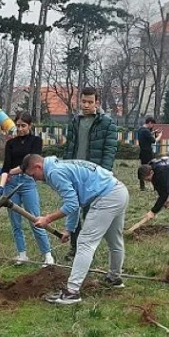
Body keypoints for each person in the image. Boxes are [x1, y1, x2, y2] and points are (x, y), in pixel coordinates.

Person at [21, 154, 129, 305]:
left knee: (85, 243)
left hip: (107, 196)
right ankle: (114, 278)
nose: (35, 179)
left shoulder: (54, 173)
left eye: (33, 175)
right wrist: (69, 230)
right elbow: (75, 202)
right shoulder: (59, 166)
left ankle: (72, 292)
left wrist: (47, 219)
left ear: (38, 167)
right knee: (114, 240)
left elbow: (71, 204)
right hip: (119, 190)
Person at [61, 87, 119, 254]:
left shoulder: (107, 123)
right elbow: (69, 147)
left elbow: (109, 150)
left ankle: (86, 248)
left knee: (90, 212)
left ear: (97, 103)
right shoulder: (74, 121)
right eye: (83, 101)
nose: (86, 105)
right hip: (74, 172)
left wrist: (104, 172)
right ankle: (75, 245)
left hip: (93, 175)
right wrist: (65, 167)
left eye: (90, 102)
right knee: (72, 208)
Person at [0, 112, 54, 266]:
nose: (20, 129)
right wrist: (1, 187)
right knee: (15, 222)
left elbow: (30, 165)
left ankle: (48, 256)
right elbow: (6, 167)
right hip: (11, 185)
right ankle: (22, 255)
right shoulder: (10, 144)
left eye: (23, 126)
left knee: (35, 219)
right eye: (18, 125)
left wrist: (10, 171)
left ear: (30, 126)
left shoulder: (36, 141)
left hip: (27, 183)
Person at [136, 116, 162, 190]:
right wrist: (160, 136)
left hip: (142, 152)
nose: (153, 126)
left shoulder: (141, 129)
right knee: (152, 169)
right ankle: (155, 186)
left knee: (142, 169)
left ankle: (142, 186)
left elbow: (146, 136)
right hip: (148, 153)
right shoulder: (146, 131)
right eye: (152, 124)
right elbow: (154, 140)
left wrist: (153, 132)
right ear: (150, 123)